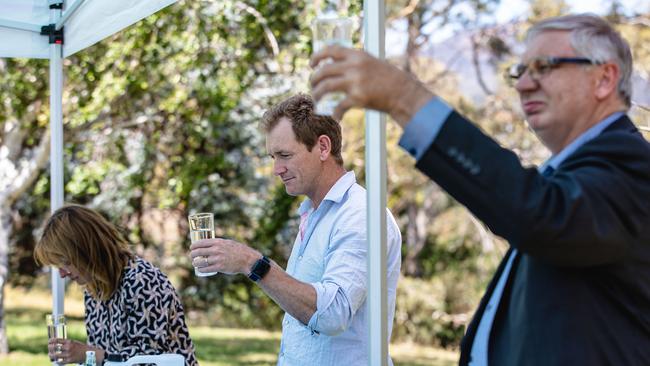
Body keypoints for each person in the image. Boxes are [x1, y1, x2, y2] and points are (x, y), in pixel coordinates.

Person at [310, 13, 650, 366]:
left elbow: (537, 213)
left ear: (604, 78)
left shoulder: (629, 166)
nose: (523, 85)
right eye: (520, 72)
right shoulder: (579, 175)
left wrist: (402, 97)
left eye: (543, 67)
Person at [189, 93, 402, 365]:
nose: (277, 169)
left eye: (285, 155)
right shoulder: (313, 213)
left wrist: (252, 263)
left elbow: (333, 313)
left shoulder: (361, 215)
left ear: (323, 147)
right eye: (272, 157)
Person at [34, 204, 198, 366]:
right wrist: (86, 357)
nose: (62, 274)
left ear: (87, 250)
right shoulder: (93, 289)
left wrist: (88, 354)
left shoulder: (141, 281)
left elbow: (148, 361)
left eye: (66, 263)